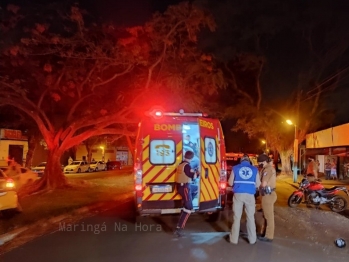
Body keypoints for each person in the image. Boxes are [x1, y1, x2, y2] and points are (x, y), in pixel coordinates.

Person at [228, 154, 260, 245]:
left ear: (241, 161)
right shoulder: (255, 169)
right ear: (249, 161)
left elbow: (230, 183)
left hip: (238, 194)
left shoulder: (235, 168)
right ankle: (252, 240)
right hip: (250, 195)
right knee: (250, 217)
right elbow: (258, 184)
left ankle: (234, 239)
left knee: (237, 217)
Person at [173, 151, 199, 237]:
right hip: (185, 188)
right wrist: (198, 172)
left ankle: (187, 201)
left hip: (181, 187)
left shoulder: (181, 164)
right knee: (189, 208)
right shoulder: (187, 166)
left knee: (196, 188)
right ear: (191, 158)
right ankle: (179, 229)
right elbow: (193, 176)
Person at [257, 153, 277, 242]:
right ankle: (264, 232)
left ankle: (269, 236)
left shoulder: (267, 170)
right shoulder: (267, 168)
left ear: (264, 161)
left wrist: (257, 187)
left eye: (260, 162)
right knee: (266, 215)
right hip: (267, 194)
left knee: (269, 216)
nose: (259, 164)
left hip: (268, 195)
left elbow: (263, 184)